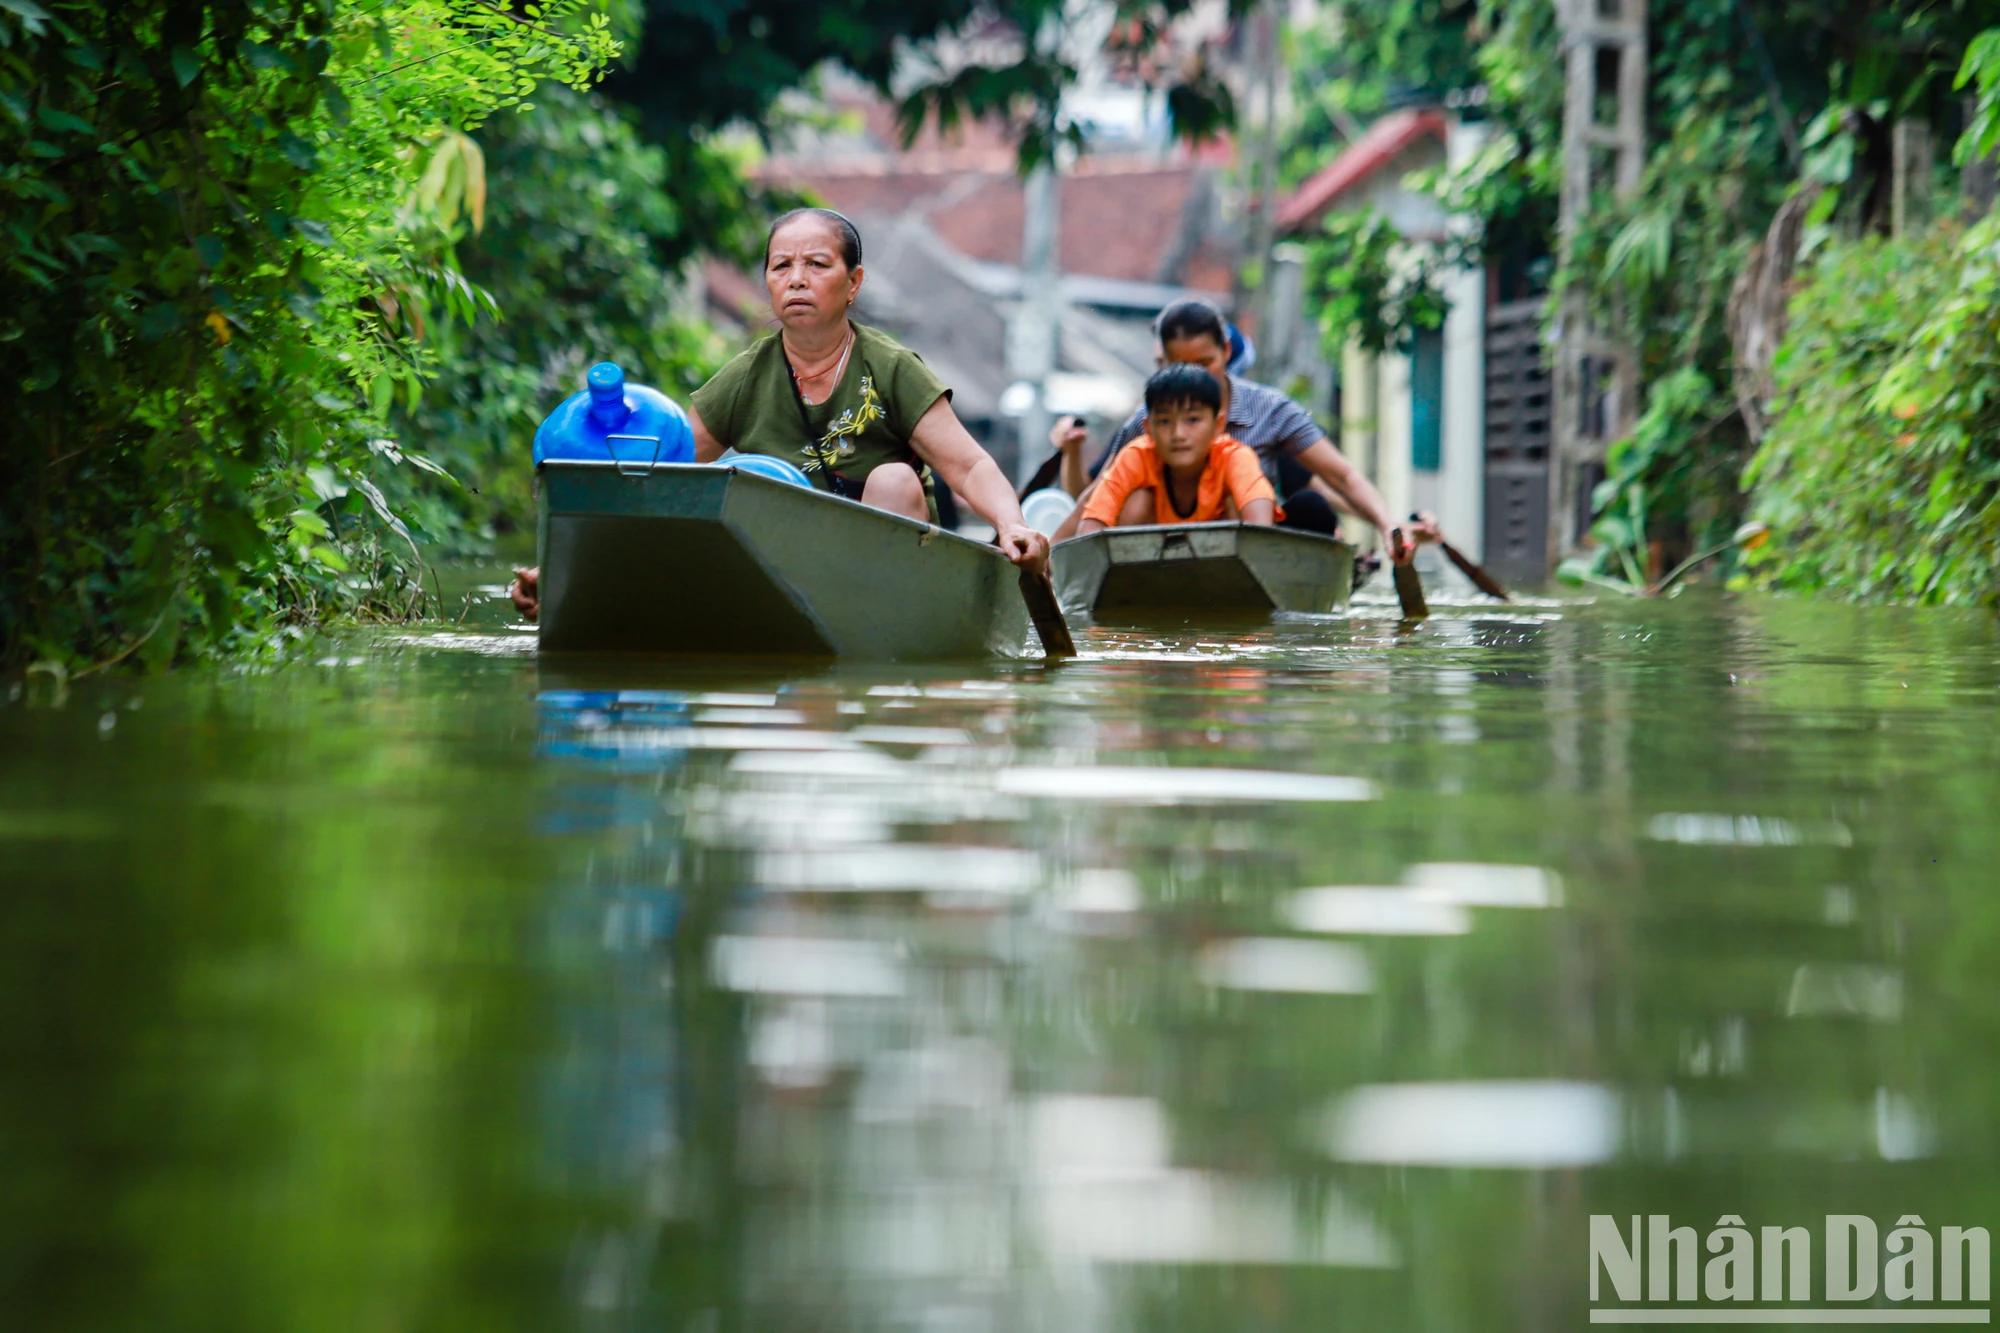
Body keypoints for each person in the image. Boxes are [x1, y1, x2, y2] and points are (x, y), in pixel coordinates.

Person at [508, 207, 1048, 620]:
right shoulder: (747, 374)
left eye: (817, 264)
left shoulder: (891, 367)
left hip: (886, 574)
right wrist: (566, 574)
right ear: (767, 281)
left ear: (853, 283)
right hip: (784, 569)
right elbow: (662, 479)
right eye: (781, 265)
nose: (796, 278)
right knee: (732, 489)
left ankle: (871, 622)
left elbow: (969, 466)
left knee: (891, 478)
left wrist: (1012, 525)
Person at [1046, 298, 1423, 558]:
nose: (1179, 432)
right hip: (1158, 546)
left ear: (1227, 352)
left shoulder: (1263, 419)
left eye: (1205, 363)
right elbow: (1098, 496)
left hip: (1237, 544)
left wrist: (1388, 525)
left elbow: (1341, 476)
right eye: (1180, 367)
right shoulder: (1148, 424)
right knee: (1136, 499)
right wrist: (1054, 551)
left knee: (1310, 506)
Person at [1077, 364, 1276, 532]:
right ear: (1148, 428)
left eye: (1193, 420)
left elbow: (1260, 524)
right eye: (1164, 421)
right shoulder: (1136, 456)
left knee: (1236, 504)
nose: (1178, 434)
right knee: (1136, 502)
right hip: (1149, 566)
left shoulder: (1234, 456)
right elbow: (1094, 521)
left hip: (1219, 567)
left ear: (1218, 424)